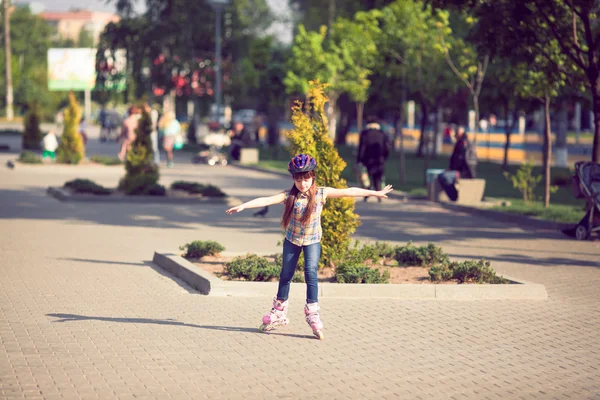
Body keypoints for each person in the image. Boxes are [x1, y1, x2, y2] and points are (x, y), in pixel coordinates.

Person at [225, 154, 393, 339]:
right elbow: (265, 200)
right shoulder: (289, 195)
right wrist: (243, 206)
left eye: (306, 179)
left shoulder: (321, 193)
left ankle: (312, 312)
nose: (302, 183)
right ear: (294, 179)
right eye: (298, 179)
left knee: (310, 272)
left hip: (312, 240)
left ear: (312, 176)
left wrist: (374, 193)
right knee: (286, 274)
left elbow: (349, 191)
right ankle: (279, 311)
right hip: (292, 240)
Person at [437, 125, 477, 201]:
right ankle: (453, 196)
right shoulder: (461, 142)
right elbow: (456, 159)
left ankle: (454, 197)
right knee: (441, 175)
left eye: (456, 132)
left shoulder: (463, 143)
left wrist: (455, 170)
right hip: (458, 170)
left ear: (460, 133)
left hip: (463, 172)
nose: (455, 134)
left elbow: (461, 160)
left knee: (444, 177)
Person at [357, 116, 391, 202]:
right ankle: (379, 195)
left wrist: (359, 159)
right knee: (377, 177)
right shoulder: (382, 133)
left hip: (366, 159)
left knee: (366, 178)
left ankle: (366, 195)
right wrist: (384, 157)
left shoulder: (365, 133)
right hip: (379, 160)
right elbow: (387, 148)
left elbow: (362, 148)